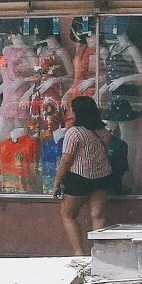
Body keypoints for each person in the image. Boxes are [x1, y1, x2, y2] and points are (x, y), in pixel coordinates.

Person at [54, 95, 115, 255]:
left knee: (68, 214)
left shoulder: (74, 132)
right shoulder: (104, 131)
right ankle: (99, 253)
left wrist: (57, 181)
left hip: (79, 178)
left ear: (77, 112)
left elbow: (66, 160)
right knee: (97, 214)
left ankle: (79, 253)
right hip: (102, 176)